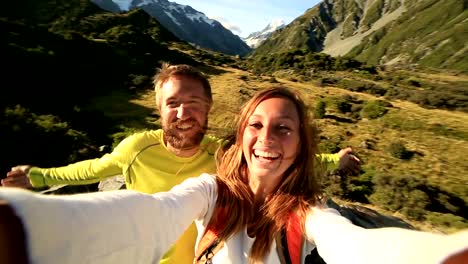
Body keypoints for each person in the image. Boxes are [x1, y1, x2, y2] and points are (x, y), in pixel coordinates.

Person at [0, 86, 466, 264]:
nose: (267, 139)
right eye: (257, 127)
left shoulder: (307, 214)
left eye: (285, 129)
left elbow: (352, 243)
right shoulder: (207, 187)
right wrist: (31, 222)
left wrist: (438, 255)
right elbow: (152, 209)